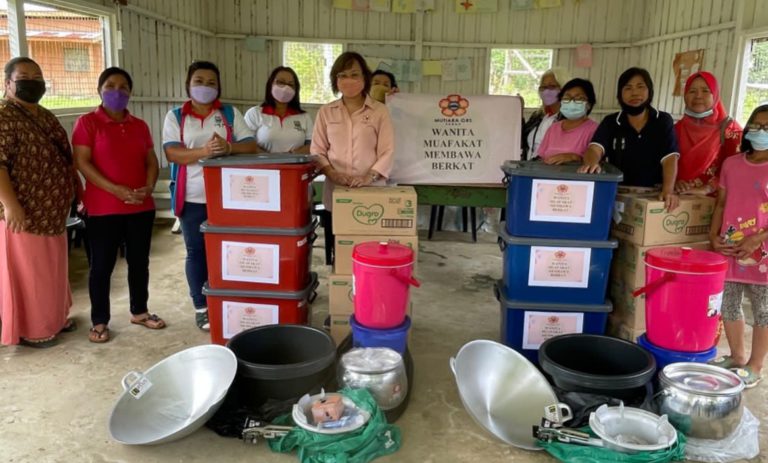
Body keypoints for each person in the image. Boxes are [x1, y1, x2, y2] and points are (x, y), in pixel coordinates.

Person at [163, 61, 258, 331]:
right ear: (188, 84)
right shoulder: (176, 116)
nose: (205, 87)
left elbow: (250, 145)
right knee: (196, 252)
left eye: (211, 82)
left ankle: (230, 299)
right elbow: (172, 153)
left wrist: (228, 147)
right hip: (192, 197)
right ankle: (201, 307)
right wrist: (204, 152)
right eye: (199, 81)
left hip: (230, 198)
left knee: (231, 251)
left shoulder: (229, 113)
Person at [72, 67, 161, 343]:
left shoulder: (140, 126)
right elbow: (82, 163)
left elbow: (151, 162)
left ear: (130, 93)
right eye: (110, 85)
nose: (117, 91)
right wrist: (116, 190)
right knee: (101, 266)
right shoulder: (87, 123)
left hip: (140, 206)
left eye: (124, 87)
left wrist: (147, 187)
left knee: (139, 262)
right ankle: (100, 321)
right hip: (103, 209)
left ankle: (140, 311)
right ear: (99, 89)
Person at [0, 57, 78, 347]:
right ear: (8, 83)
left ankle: (56, 317)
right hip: (24, 214)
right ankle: (35, 328)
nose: (32, 81)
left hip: (52, 213)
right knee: (32, 275)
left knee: (52, 271)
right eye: (23, 76)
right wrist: (11, 205)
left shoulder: (44, 115)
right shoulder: (4, 116)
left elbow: (64, 157)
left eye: (37, 76)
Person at [707, 104, 768, 388]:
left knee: (763, 310)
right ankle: (737, 356)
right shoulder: (732, 163)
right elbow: (721, 203)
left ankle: (755, 365)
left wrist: (758, 237)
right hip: (729, 248)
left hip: (762, 251)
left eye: (767, 127)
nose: (760, 131)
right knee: (728, 304)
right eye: (756, 125)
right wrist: (713, 234)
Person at [579, 67, 680, 211]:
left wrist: (668, 190)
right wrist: (591, 164)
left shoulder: (662, 120)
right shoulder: (611, 122)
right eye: (628, 88)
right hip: (617, 195)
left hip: (653, 196)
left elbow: (670, 158)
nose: (635, 93)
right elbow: (594, 149)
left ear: (649, 91)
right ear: (620, 93)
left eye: (640, 87)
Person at [311, 51, 394, 212]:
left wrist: (368, 177)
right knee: (336, 236)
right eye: (343, 75)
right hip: (336, 190)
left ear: (365, 77)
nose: (349, 80)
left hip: (371, 190)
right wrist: (331, 173)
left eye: (354, 74)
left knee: (368, 235)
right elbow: (317, 150)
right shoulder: (326, 111)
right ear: (336, 79)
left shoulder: (380, 111)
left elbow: (387, 151)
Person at [675, 71, 742, 196]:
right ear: (685, 95)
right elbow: (664, 164)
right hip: (678, 203)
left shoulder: (730, 131)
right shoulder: (675, 130)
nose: (698, 96)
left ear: (715, 95)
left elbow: (739, 169)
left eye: (705, 91)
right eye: (692, 91)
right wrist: (675, 182)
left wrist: (708, 188)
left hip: (715, 205)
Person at [244, 66, 313, 154]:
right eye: (281, 82)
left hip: (295, 166)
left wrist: (292, 156)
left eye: (291, 84)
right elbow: (245, 144)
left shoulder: (304, 117)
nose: (286, 88)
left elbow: (312, 146)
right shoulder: (254, 113)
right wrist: (270, 159)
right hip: (263, 165)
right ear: (270, 85)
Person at [536, 78, 599, 165]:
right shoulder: (554, 128)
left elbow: (597, 163)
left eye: (579, 98)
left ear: (589, 104)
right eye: (566, 98)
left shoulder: (594, 129)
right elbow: (542, 157)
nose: (571, 102)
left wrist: (574, 157)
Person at [521, 67, 571, 160]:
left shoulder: (569, 119)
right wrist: (519, 112)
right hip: (529, 168)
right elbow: (521, 140)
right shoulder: (537, 116)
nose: (546, 91)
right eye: (543, 87)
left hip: (552, 171)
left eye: (552, 86)